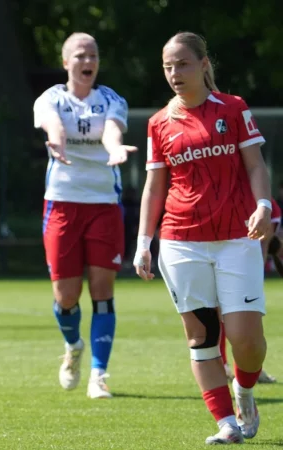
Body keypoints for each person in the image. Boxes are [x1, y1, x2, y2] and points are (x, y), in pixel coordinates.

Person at [134, 32, 272, 444]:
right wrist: (143, 241)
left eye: (183, 64)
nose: (175, 73)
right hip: (180, 241)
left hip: (237, 238)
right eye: (168, 66)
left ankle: (244, 390)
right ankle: (226, 423)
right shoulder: (159, 122)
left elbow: (256, 166)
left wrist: (263, 205)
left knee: (247, 340)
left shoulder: (233, 109)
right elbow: (154, 187)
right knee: (202, 338)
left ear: (204, 64)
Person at [32, 32, 137, 399]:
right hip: (61, 203)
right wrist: (57, 145)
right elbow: (55, 127)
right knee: (66, 296)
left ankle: (99, 374)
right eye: (80, 55)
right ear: (66, 62)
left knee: (102, 291)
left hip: (104, 204)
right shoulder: (50, 98)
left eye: (92, 55)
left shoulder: (111, 99)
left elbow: (111, 130)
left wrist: (115, 149)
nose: (87, 61)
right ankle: (73, 345)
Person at [221, 200, 281, 383]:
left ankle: (246, 370)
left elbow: (261, 244)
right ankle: (227, 367)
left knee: (241, 322)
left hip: (238, 265)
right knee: (223, 317)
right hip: (221, 259)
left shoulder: (267, 205)